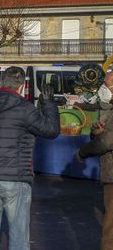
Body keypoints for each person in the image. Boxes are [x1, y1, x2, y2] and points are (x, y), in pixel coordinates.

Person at [0, 66, 60, 250]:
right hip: (16, 176)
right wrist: (48, 103)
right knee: (18, 236)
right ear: (21, 86)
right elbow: (51, 130)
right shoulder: (24, 109)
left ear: (1, 81)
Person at [76, 72, 113, 250]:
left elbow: (106, 142)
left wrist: (82, 153)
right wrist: (96, 131)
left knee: (110, 230)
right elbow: (103, 134)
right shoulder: (108, 107)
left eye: (108, 86)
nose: (104, 89)